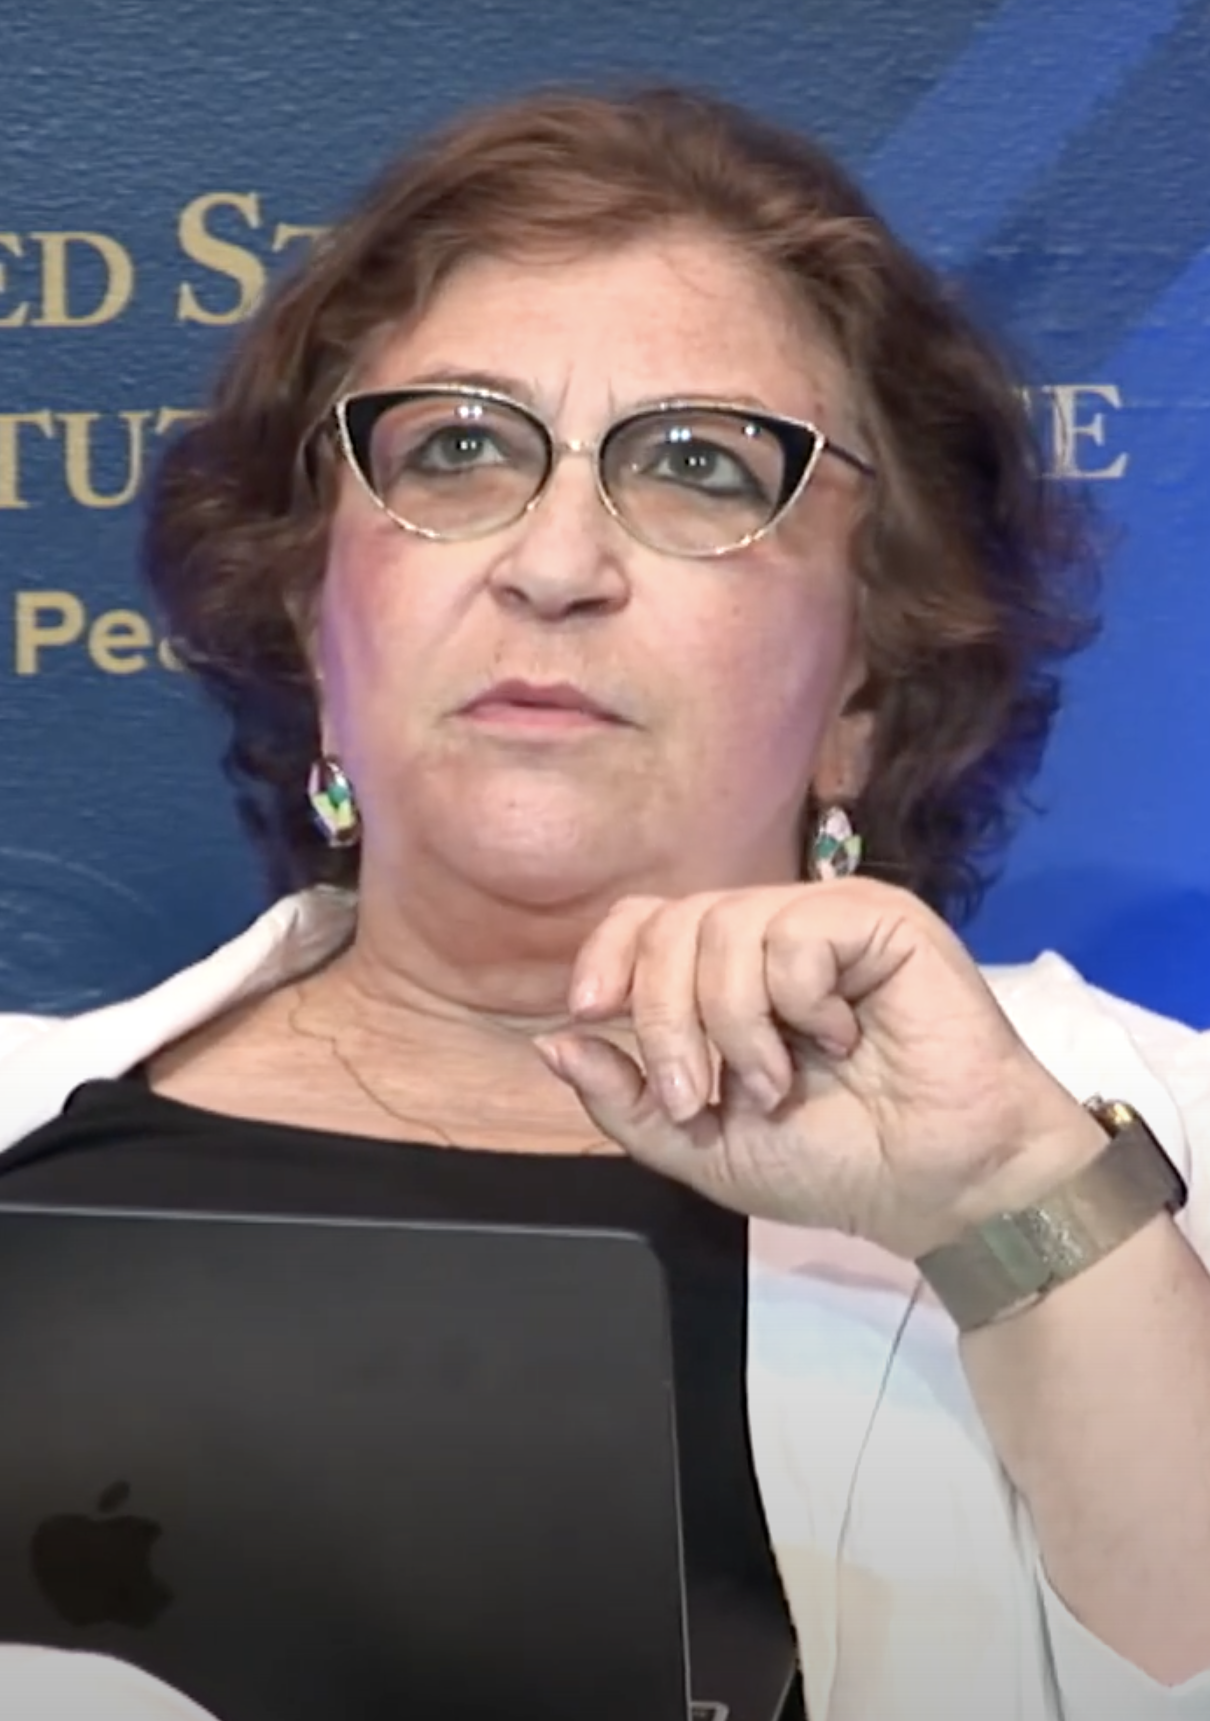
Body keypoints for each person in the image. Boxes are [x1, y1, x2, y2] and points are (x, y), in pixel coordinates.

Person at [0, 85, 1208, 1721]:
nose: (555, 561)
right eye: (457, 449)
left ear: (865, 680)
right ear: (312, 619)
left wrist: (1014, 1205)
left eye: (700, 467)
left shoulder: (1139, 1149)